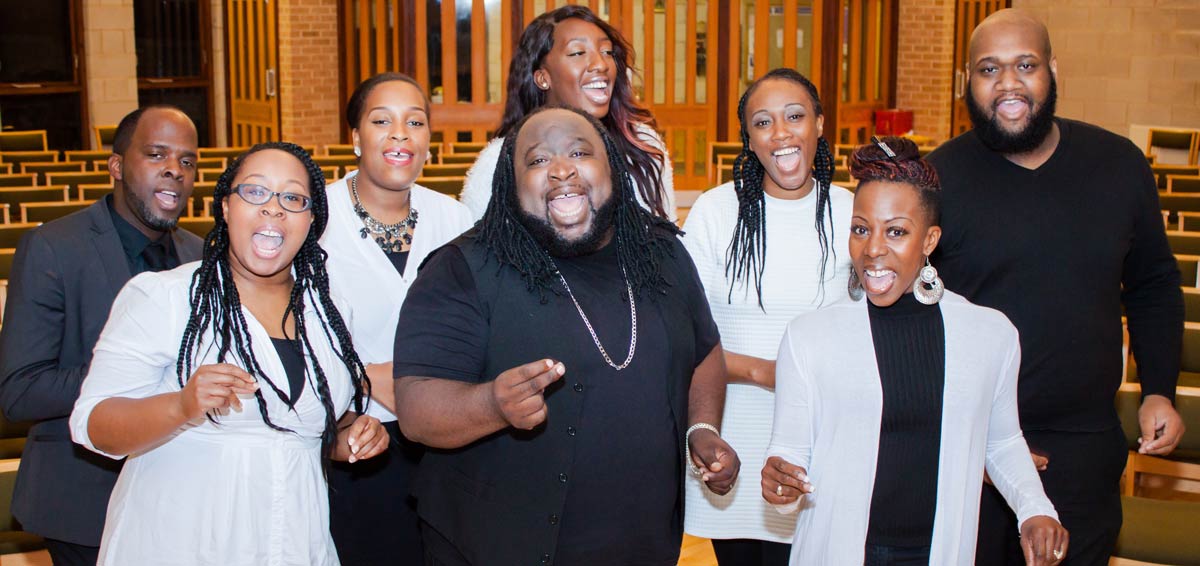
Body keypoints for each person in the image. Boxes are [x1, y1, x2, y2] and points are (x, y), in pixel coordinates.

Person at [391, 106, 738, 566]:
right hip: (496, 548)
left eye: (579, 152)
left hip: (644, 544)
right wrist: (492, 405)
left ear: (611, 168)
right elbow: (416, 409)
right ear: (510, 185)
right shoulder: (461, 268)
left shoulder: (661, 252)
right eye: (537, 160)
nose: (560, 169)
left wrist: (703, 429)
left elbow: (704, 350)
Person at [926, 10, 1185, 565]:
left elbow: (1154, 284)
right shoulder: (937, 180)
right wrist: (959, 440)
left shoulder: (1118, 166)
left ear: (1053, 70)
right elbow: (913, 317)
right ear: (966, 81)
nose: (1008, 83)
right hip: (970, 448)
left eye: (1026, 65)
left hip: (1082, 448)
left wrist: (1158, 389)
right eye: (989, 69)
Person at [69, 142, 387, 565]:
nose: (273, 208)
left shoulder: (329, 313)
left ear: (311, 219)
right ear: (225, 206)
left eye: (293, 198)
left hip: (294, 540)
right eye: (255, 191)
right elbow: (93, 424)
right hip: (183, 542)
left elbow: (305, 426)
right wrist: (181, 405)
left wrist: (349, 436)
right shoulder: (167, 297)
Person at [763, 137, 1068, 565]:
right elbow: (790, 454)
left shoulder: (989, 335)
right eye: (861, 229)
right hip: (838, 551)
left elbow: (1001, 441)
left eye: (896, 231)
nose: (873, 249)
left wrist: (1035, 509)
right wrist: (781, 482)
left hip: (940, 552)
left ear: (929, 240)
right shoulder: (810, 337)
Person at [0, 105, 203, 565]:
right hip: (84, 497)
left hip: (179, 493)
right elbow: (20, 392)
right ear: (116, 165)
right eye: (156, 154)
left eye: (187, 161)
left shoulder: (200, 254)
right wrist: (138, 375)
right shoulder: (53, 247)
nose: (175, 169)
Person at [680, 67, 852, 566]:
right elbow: (685, 334)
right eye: (762, 122)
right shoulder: (715, 212)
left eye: (795, 116)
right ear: (749, 139)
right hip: (734, 441)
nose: (780, 133)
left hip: (821, 445)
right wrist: (765, 372)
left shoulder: (851, 213)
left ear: (819, 123)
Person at [321, 72, 473, 565]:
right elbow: (290, 329)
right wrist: (363, 378)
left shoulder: (455, 219)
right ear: (355, 137)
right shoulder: (315, 217)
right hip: (355, 439)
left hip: (445, 442)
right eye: (381, 121)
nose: (400, 135)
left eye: (415, 122)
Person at [459, 5, 675, 222]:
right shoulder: (499, 160)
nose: (601, 64)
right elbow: (479, 240)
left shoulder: (641, 145)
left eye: (607, 52)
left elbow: (667, 233)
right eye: (578, 53)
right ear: (543, 78)